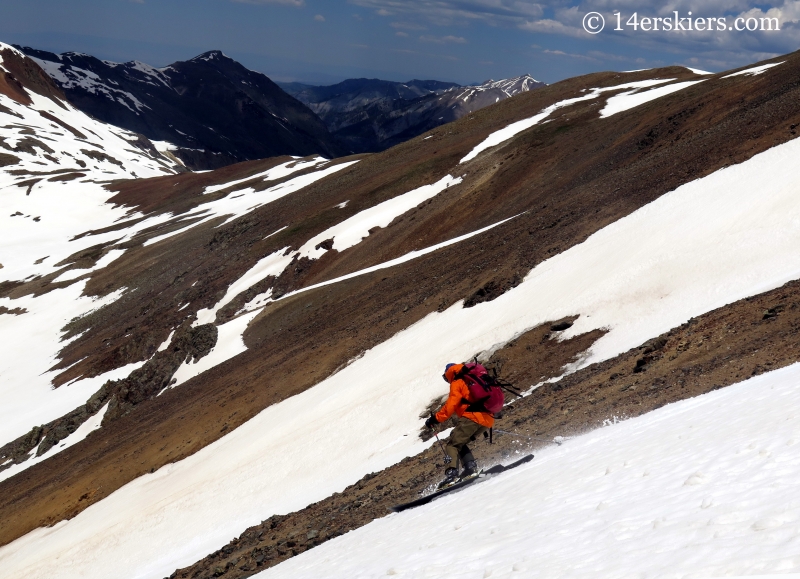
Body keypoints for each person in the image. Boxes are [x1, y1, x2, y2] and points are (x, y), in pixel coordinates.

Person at [425, 363, 494, 488]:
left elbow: (450, 405)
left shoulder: (457, 382)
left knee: (452, 445)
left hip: (472, 417)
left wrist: (435, 419)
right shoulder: (471, 379)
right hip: (487, 418)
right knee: (459, 442)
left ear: (448, 373)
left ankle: (452, 475)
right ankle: (470, 469)